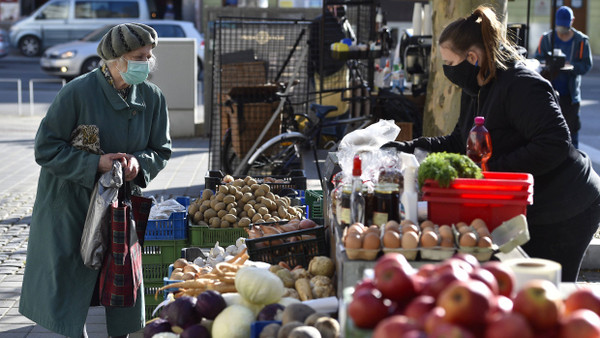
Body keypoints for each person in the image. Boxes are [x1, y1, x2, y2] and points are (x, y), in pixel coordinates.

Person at [383, 6, 600, 282]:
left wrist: (488, 169)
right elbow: (459, 141)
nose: (447, 71)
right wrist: (406, 147)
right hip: (525, 204)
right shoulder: (476, 85)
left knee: (546, 290)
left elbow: (554, 143)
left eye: (449, 63)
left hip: (567, 204)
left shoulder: (522, 85)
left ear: (472, 57)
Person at [18, 23, 172, 337]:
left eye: (149, 55)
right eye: (138, 56)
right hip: (71, 204)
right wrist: (95, 163)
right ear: (114, 60)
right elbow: (46, 148)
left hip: (120, 207)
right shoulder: (76, 92)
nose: (146, 62)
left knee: (122, 278)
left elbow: (161, 149)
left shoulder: (153, 98)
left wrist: (138, 163)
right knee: (72, 287)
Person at [534, 5, 592, 149]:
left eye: (564, 28)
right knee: (549, 132)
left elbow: (586, 65)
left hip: (570, 96)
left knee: (572, 133)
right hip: (550, 94)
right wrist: (549, 65)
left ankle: (574, 162)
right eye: (560, 27)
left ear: (572, 22)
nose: (562, 32)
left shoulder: (581, 41)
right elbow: (537, 61)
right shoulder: (547, 38)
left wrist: (571, 67)